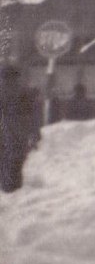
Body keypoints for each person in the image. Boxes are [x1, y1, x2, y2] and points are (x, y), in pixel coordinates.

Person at [0, 64, 42, 193]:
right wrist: (35, 135)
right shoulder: (26, 93)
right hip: (18, 134)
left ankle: (10, 189)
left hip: (9, 133)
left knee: (8, 163)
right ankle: (13, 190)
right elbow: (35, 115)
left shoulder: (23, 94)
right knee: (15, 163)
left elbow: (33, 114)